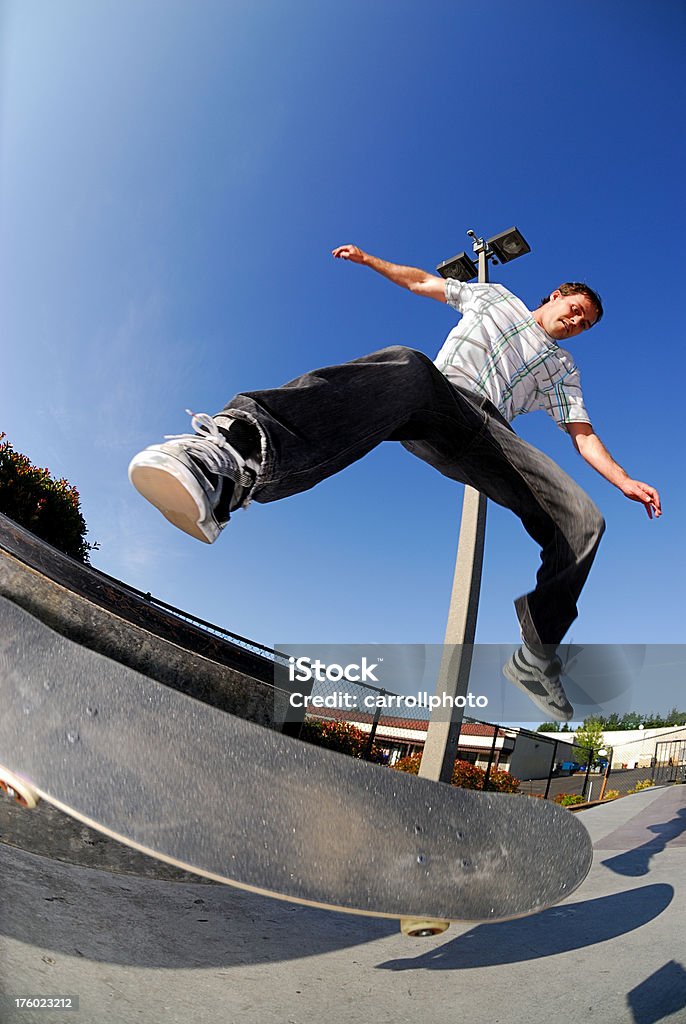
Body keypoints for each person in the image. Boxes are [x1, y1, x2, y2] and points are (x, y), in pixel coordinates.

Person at [128, 244, 661, 722]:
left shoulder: (563, 368)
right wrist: (371, 261)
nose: (575, 323)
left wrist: (623, 480)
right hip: (437, 399)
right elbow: (424, 283)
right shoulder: (494, 297)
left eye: (585, 325)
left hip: (490, 434)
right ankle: (232, 459)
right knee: (408, 365)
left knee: (584, 520)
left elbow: (582, 433)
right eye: (576, 311)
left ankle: (536, 655)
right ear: (558, 295)